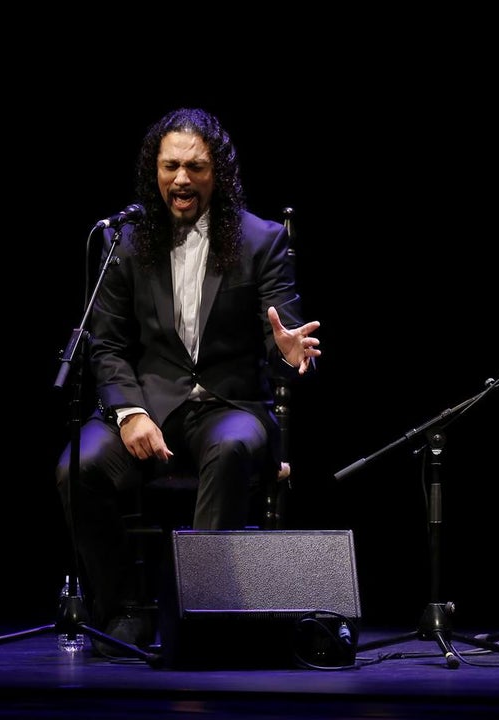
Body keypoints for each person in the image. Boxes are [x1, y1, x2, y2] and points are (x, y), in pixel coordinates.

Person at [56, 107, 321, 657]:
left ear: (217, 173)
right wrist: (129, 412)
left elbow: (280, 329)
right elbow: (105, 343)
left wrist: (287, 348)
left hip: (231, 407)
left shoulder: (260, 239)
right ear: (154, 172)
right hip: (149, 408)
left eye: (195, 167)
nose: (181, 179)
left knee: (228, 450)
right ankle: (123, 610)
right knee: (76, 468)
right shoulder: (125, 240)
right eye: (170, 166)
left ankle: (200, 618)